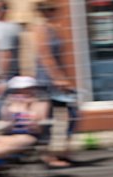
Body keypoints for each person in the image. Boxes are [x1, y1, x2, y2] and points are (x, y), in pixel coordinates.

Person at [34, 0, 81, 168]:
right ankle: (49, 155)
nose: (52, 13)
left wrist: (65, 76)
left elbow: (60, 57)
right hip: (47, 80)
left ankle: (61, 151)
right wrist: (58, 78)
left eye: (53, 10)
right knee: (50, 118)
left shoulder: (56, 28)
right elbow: (45, 56)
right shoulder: (41, 29)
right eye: (49, 10)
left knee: (72, 114)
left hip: (57, 77)